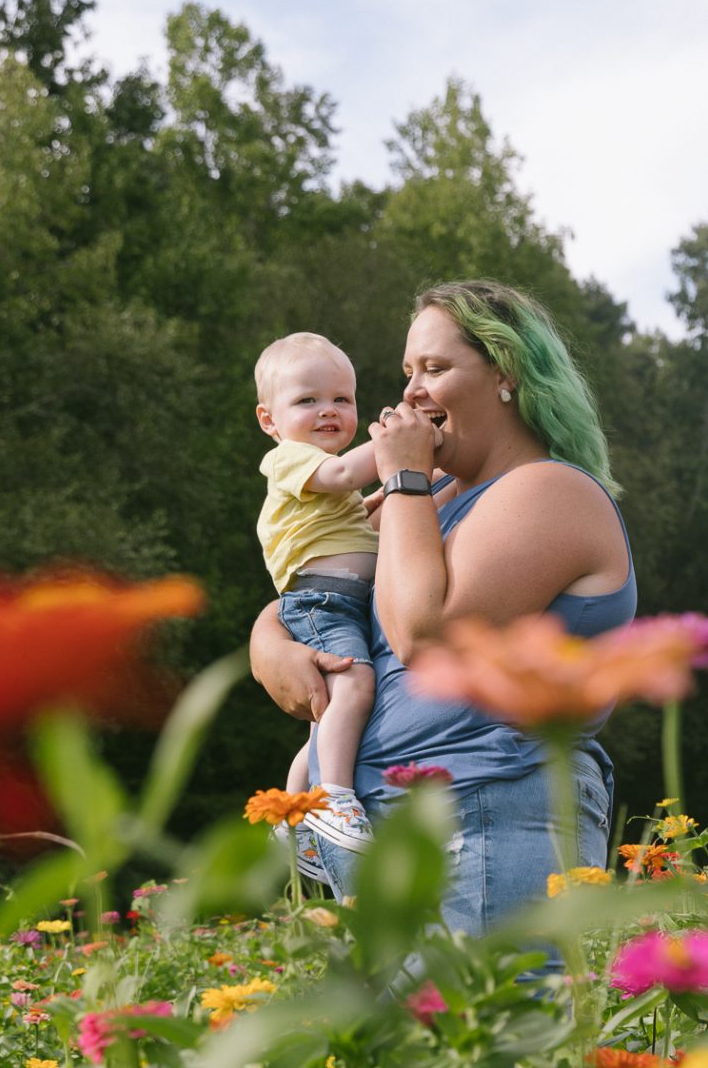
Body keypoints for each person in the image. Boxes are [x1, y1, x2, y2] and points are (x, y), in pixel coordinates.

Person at [249, 281, 637, 931]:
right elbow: (315, 587)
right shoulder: (426, 502)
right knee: (412, 1034)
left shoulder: (547, 491)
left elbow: (423, 640)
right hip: (383, 831)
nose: (410, 393)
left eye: (434, 368)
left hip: (487, 805)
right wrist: (270, 644)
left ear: (505, 374)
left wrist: (401, 478)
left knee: (488, 1027)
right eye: (408, 372)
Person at [255, 330, 424, 852]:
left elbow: (359, 510)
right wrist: (401, 444)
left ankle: (293, 815)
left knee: (327, 716)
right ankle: (335, 798)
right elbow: (348, 471)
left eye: (341, 400)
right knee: (353, 688)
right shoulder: (293, 459)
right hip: (320, 600)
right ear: (270, 421)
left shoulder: (328, 484)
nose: (328, 411)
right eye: (307, 400)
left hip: (340, 600)